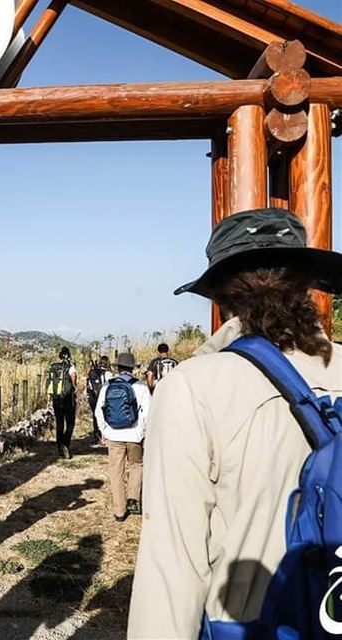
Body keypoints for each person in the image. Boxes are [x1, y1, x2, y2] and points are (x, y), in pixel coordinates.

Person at [128, 208, 342, 639]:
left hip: (251, 624)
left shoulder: (193, 387)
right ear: (305, 285)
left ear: (221, 298)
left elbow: (173, 566)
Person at [95, 351, 150, 522]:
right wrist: (144, 433)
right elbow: (148, 413)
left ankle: (119, 511)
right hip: (135, 435)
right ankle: (133, 498)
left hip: (113, 435)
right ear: (133, 368)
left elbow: (99, 412)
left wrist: (103, 432)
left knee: (116, 472)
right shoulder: (141, 386)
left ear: (118, 368)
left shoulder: (107, 386)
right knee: (136, 465)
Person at [47, 346, 77, 459]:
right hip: (68, 399)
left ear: (59, 356)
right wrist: (74, 387)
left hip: (56, 398)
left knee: (59, 423)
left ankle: (59, 446)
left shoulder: (54, 367)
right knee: (70, 422)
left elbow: (50, 382)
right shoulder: (71, 367)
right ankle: (65, 443)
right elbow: (73, 378)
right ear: (68, 356)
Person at [86, 355, 113, 444]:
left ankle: (96, 435)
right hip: (104, 397)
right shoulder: (108, 373)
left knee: (95, 415)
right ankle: (105, 436)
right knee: (105, 416)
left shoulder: (92, 372)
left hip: (92, 398)